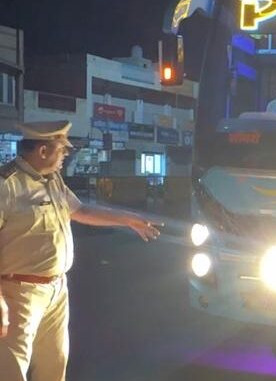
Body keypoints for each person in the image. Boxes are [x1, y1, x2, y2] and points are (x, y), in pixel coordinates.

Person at [0, 121, 161, 381]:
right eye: (61, 149)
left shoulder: (53, 180)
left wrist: (128, 220)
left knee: (55, 364)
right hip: (19, 293)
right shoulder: (7, 185)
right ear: (43, 151)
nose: (66, 154)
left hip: (56, 290)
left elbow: (81, 211)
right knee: (11, 369)